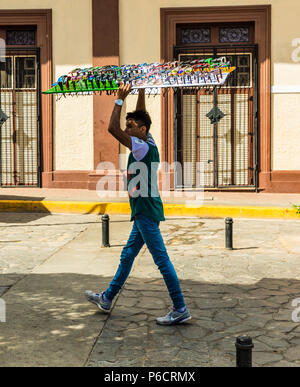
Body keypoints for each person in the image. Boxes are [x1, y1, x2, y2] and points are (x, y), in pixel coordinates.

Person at [85, 84, 191, 325]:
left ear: (141, 130)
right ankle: (107, 297)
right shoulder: (148, 139)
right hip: (145, 208)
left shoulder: (140, 146)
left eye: (130, 126)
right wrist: (141, 91)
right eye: (128, 125)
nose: (126, 128)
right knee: (128, 254)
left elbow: (112, 128)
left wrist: (120, 99)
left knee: (161, 259)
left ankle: (180, 307)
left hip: (145, 210)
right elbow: (141, 116)